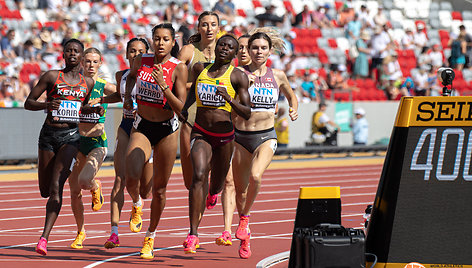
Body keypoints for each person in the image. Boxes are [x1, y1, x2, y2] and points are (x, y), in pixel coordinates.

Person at [24, 39, 96, 255]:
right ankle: (45, 230)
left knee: (57, 187)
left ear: (82, 56)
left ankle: (43, 239)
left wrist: (92, 112)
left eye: (76, 51)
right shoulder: (51, 76)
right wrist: (47, 105)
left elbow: (81, 110)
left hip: (71, 137)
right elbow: (29, 102)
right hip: (48, 135)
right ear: (63, 54)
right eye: (69, 51)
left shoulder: (88, 83)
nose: (72, 54)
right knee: (45, 190)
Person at [180, 34, 251, 254]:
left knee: (217, 183)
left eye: (230, 47)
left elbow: (247, 113)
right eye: (222, 45)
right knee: (198, 175)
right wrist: (184, 109)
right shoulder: (200, 68)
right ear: (216, 47)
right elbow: (193, 92)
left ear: (235, 53)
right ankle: (193, 234)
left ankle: (213, 193)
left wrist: (229, 100)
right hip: (200, 132)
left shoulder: (238, 77)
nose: (224, 49)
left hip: (224, 137)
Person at [231, 29, 298, 259]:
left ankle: (245, 218)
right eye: (254, 48)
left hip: (266, 136)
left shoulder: (277, 75)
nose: (258, 51)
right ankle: (245, 231)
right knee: (240, 193)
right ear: (248, 50)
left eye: (263, 48)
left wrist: (293, 108)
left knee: (256, 176)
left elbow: (291, 95)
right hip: (240, 138)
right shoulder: (237, 73)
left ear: (270, 51)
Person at [123, 23, 187, 259]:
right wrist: (129, 99)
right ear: (151, 40)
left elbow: (181, 109)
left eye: (165, 39)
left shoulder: (178, 68)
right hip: (142, 125)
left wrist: (163, 86)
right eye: (157, 38)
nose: (160, 43)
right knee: (131, 176)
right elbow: (130, 77)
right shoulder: (142, 61)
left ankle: (150, 236)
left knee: (159, 190)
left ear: (173, 42)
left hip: (167, 130)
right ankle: (137, 204)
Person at [97, 38, 154, 249]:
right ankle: (114, 232)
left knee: (146, 188)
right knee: (119, 179)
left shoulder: (153, 76)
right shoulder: (121, 75)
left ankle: (138, 202)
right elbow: (118, 95)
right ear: (126, 54)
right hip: (127, 127)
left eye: (141, 51)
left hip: (148, 130)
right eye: (132, 51)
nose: (136, 55)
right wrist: (102, 100)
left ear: (147, 55)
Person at [68, 47, 116, 249]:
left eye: (94, 62)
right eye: (87, 61)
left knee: (84, 180)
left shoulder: (103, 85)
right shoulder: (74, 84)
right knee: (73, 191)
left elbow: (126, 92)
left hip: (97, 142)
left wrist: (103, 101)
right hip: (76, 142)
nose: (90, 65)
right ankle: (80, 232)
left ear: (100, 63)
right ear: (81, 63)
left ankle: (96, 187)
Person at [216, 34, 251, 248]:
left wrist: (291, 105)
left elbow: (279, 100)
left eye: (250, 47)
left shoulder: (266, 76)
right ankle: (227, 230)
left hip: (252, 136)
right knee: (228, 183)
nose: (246, 51)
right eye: (244, 47)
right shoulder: (227, 72)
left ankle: (245, 225)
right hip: (230, 132)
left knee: (245, 187)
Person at [178, 11, 219, 192]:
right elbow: (174, 81)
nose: (209, 28)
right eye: (205, 24)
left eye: (213, 24)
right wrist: (198, 84)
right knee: (191, 182)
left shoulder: (225, 50)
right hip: (191, 120)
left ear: (218, 27)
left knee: (210, 176)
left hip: (218, 121)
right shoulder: (189, 51)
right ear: (198, 27)